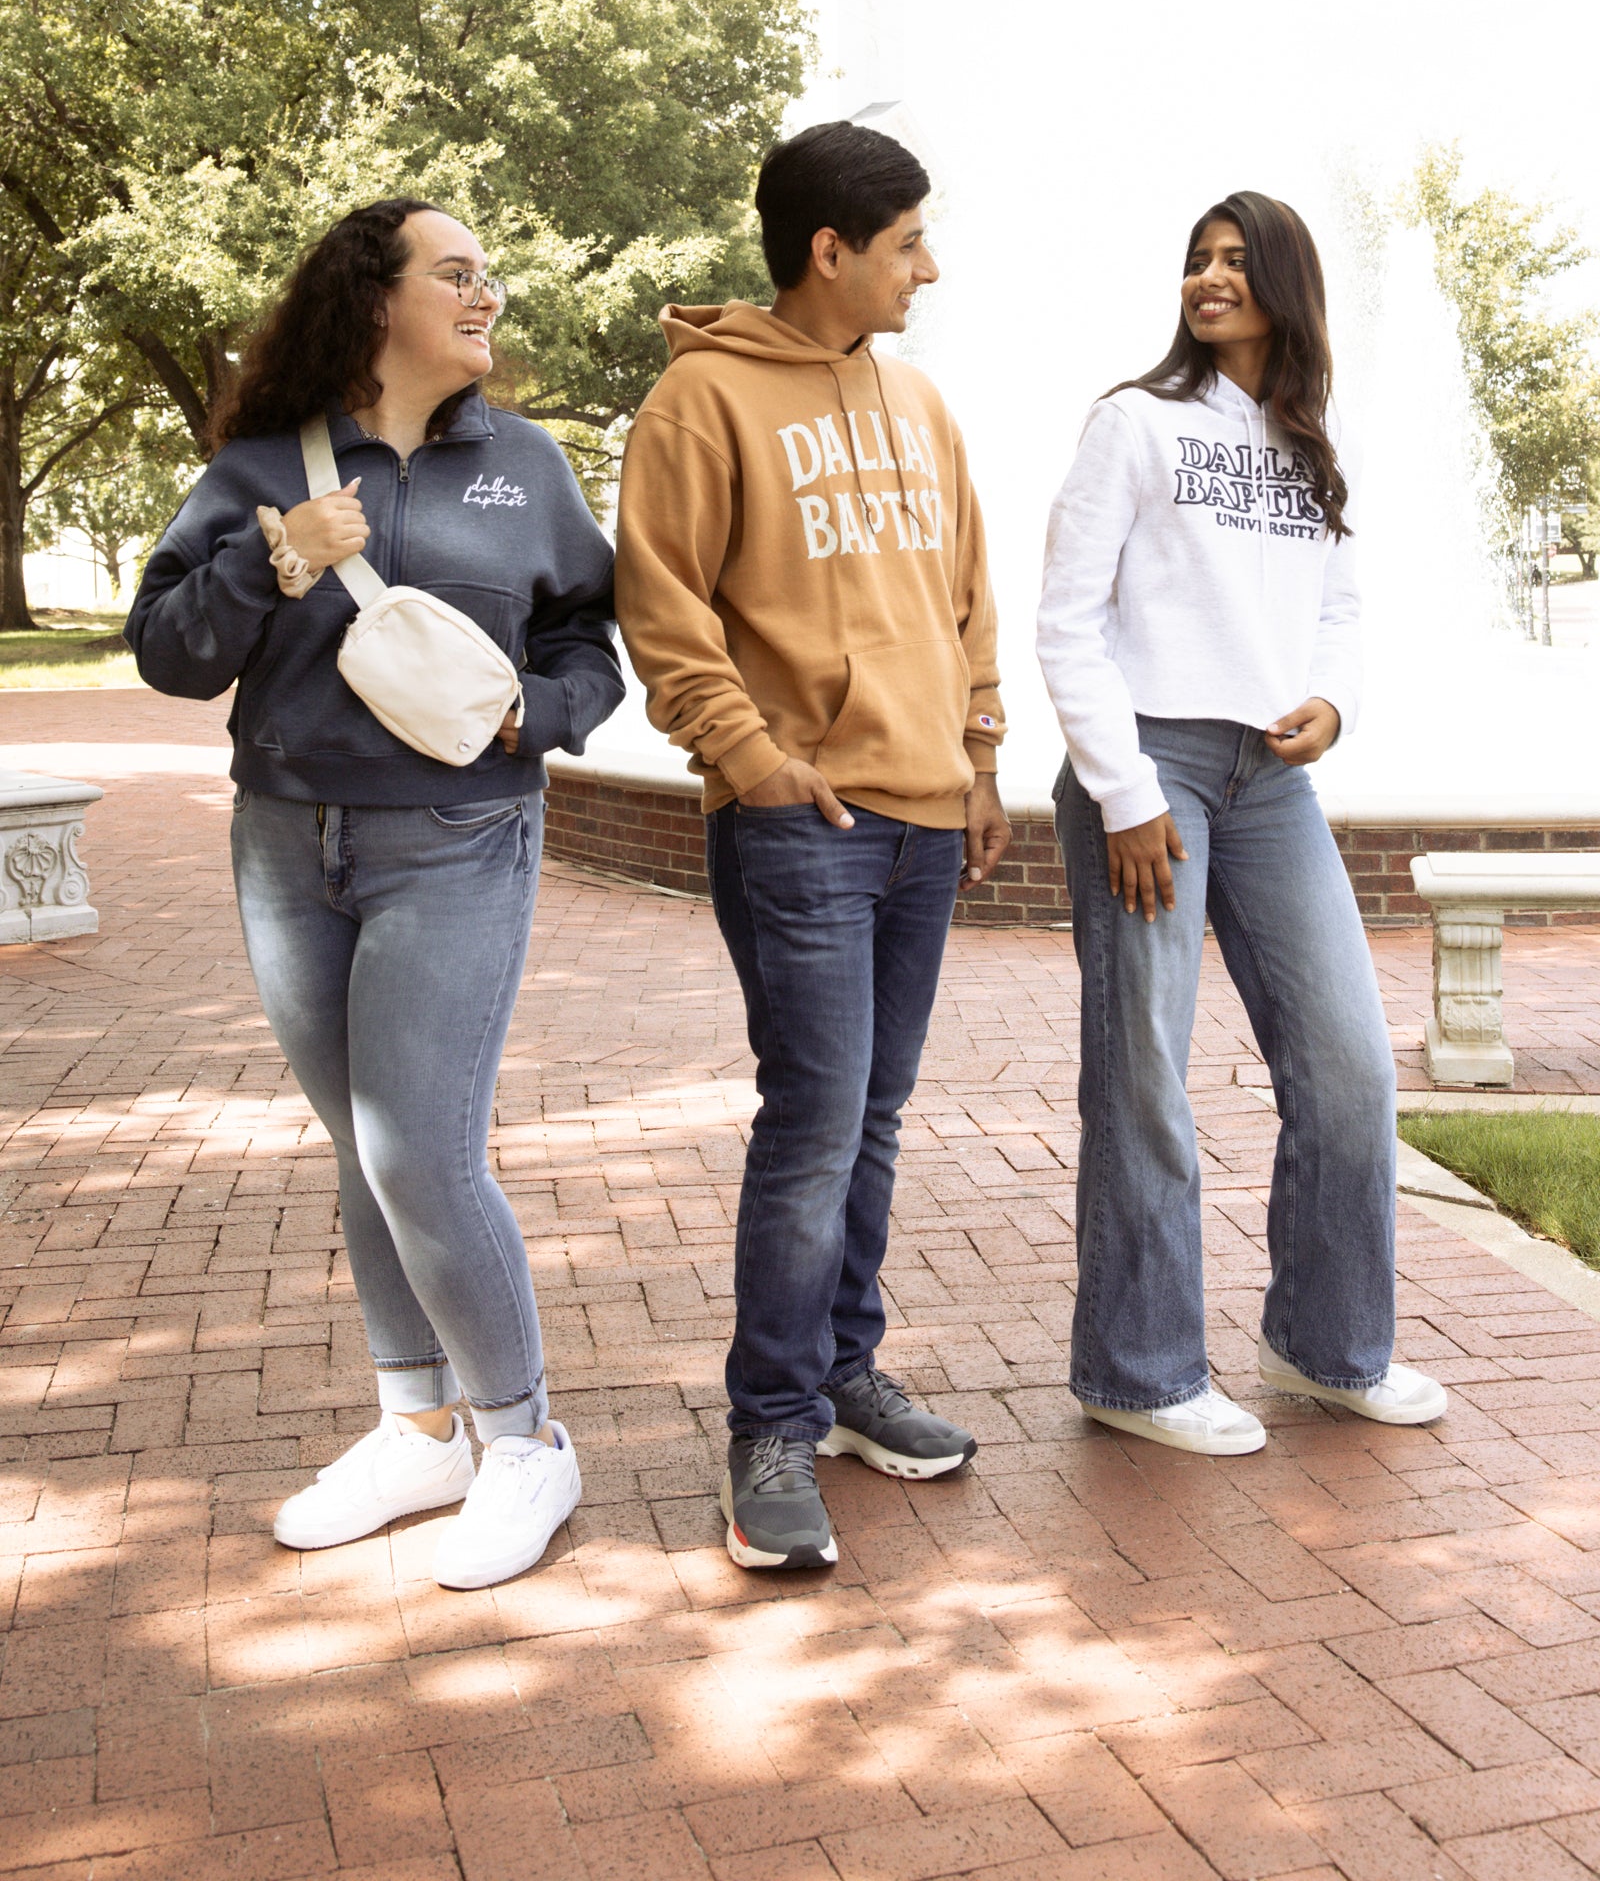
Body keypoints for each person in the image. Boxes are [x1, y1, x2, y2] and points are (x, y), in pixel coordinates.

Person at [126, 196, 624, 1584]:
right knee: (361, 1147)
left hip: (458, 834)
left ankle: (526, 1441)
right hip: (288, 844)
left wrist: (537, 712)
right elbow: (170, 652)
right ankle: (421, 1428)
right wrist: (274, 557)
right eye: (458, 274)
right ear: (376, 299)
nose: (488, 298)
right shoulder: (256, 468)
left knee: (421, 1150)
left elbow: (595, 636)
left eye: (491, 273)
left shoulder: (524, 465)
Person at [615, 121, 1011, 1571]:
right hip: (803, 825)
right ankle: (769, 1422)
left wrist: (980, 752)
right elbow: (662, 610)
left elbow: (967, 589)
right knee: (814, 1120)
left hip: (920, 814)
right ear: (830, 249)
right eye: (909, 241)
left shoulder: (919, 403)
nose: (930, 266)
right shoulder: (700, 400)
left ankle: (845, 1375)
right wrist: (753, 757)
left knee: (876, 1115)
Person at [1036, 191, 1446, 1455]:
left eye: (1232, 261)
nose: (1207, 279)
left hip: (1272, 779)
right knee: (1147, 1075)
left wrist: (1334, 700)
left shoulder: (1320, 441)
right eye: (1194, 262)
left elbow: (1339, 606)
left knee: (1348, 1066)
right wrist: (1123, 792)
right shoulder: (1134, 423)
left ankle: (1326, 1347)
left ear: (1283, 283)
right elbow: (1066, 617)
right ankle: (1138, 1371)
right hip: (1149, 768)